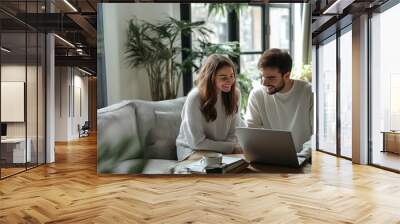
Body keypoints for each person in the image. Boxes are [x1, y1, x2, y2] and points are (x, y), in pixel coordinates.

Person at [245, 48, 313, 156]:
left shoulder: (308, 92)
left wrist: (301, 157)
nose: (264, 83)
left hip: (304, 159)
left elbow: (317, 136)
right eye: (263, 76)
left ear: (286, 76)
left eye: (271, 78)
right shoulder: (257, 94)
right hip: (270, 158)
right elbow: (250, 132)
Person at [176, 54, 242, 161]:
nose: (230, 81)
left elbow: (233, 134)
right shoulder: (195, 98)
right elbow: (197, 142)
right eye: (223, 77)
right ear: (211, 77)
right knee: (217, 165)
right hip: (193, 150)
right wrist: (230, 148)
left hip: (223, 149)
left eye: (231, 76)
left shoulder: (235, 94)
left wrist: (231, 148)